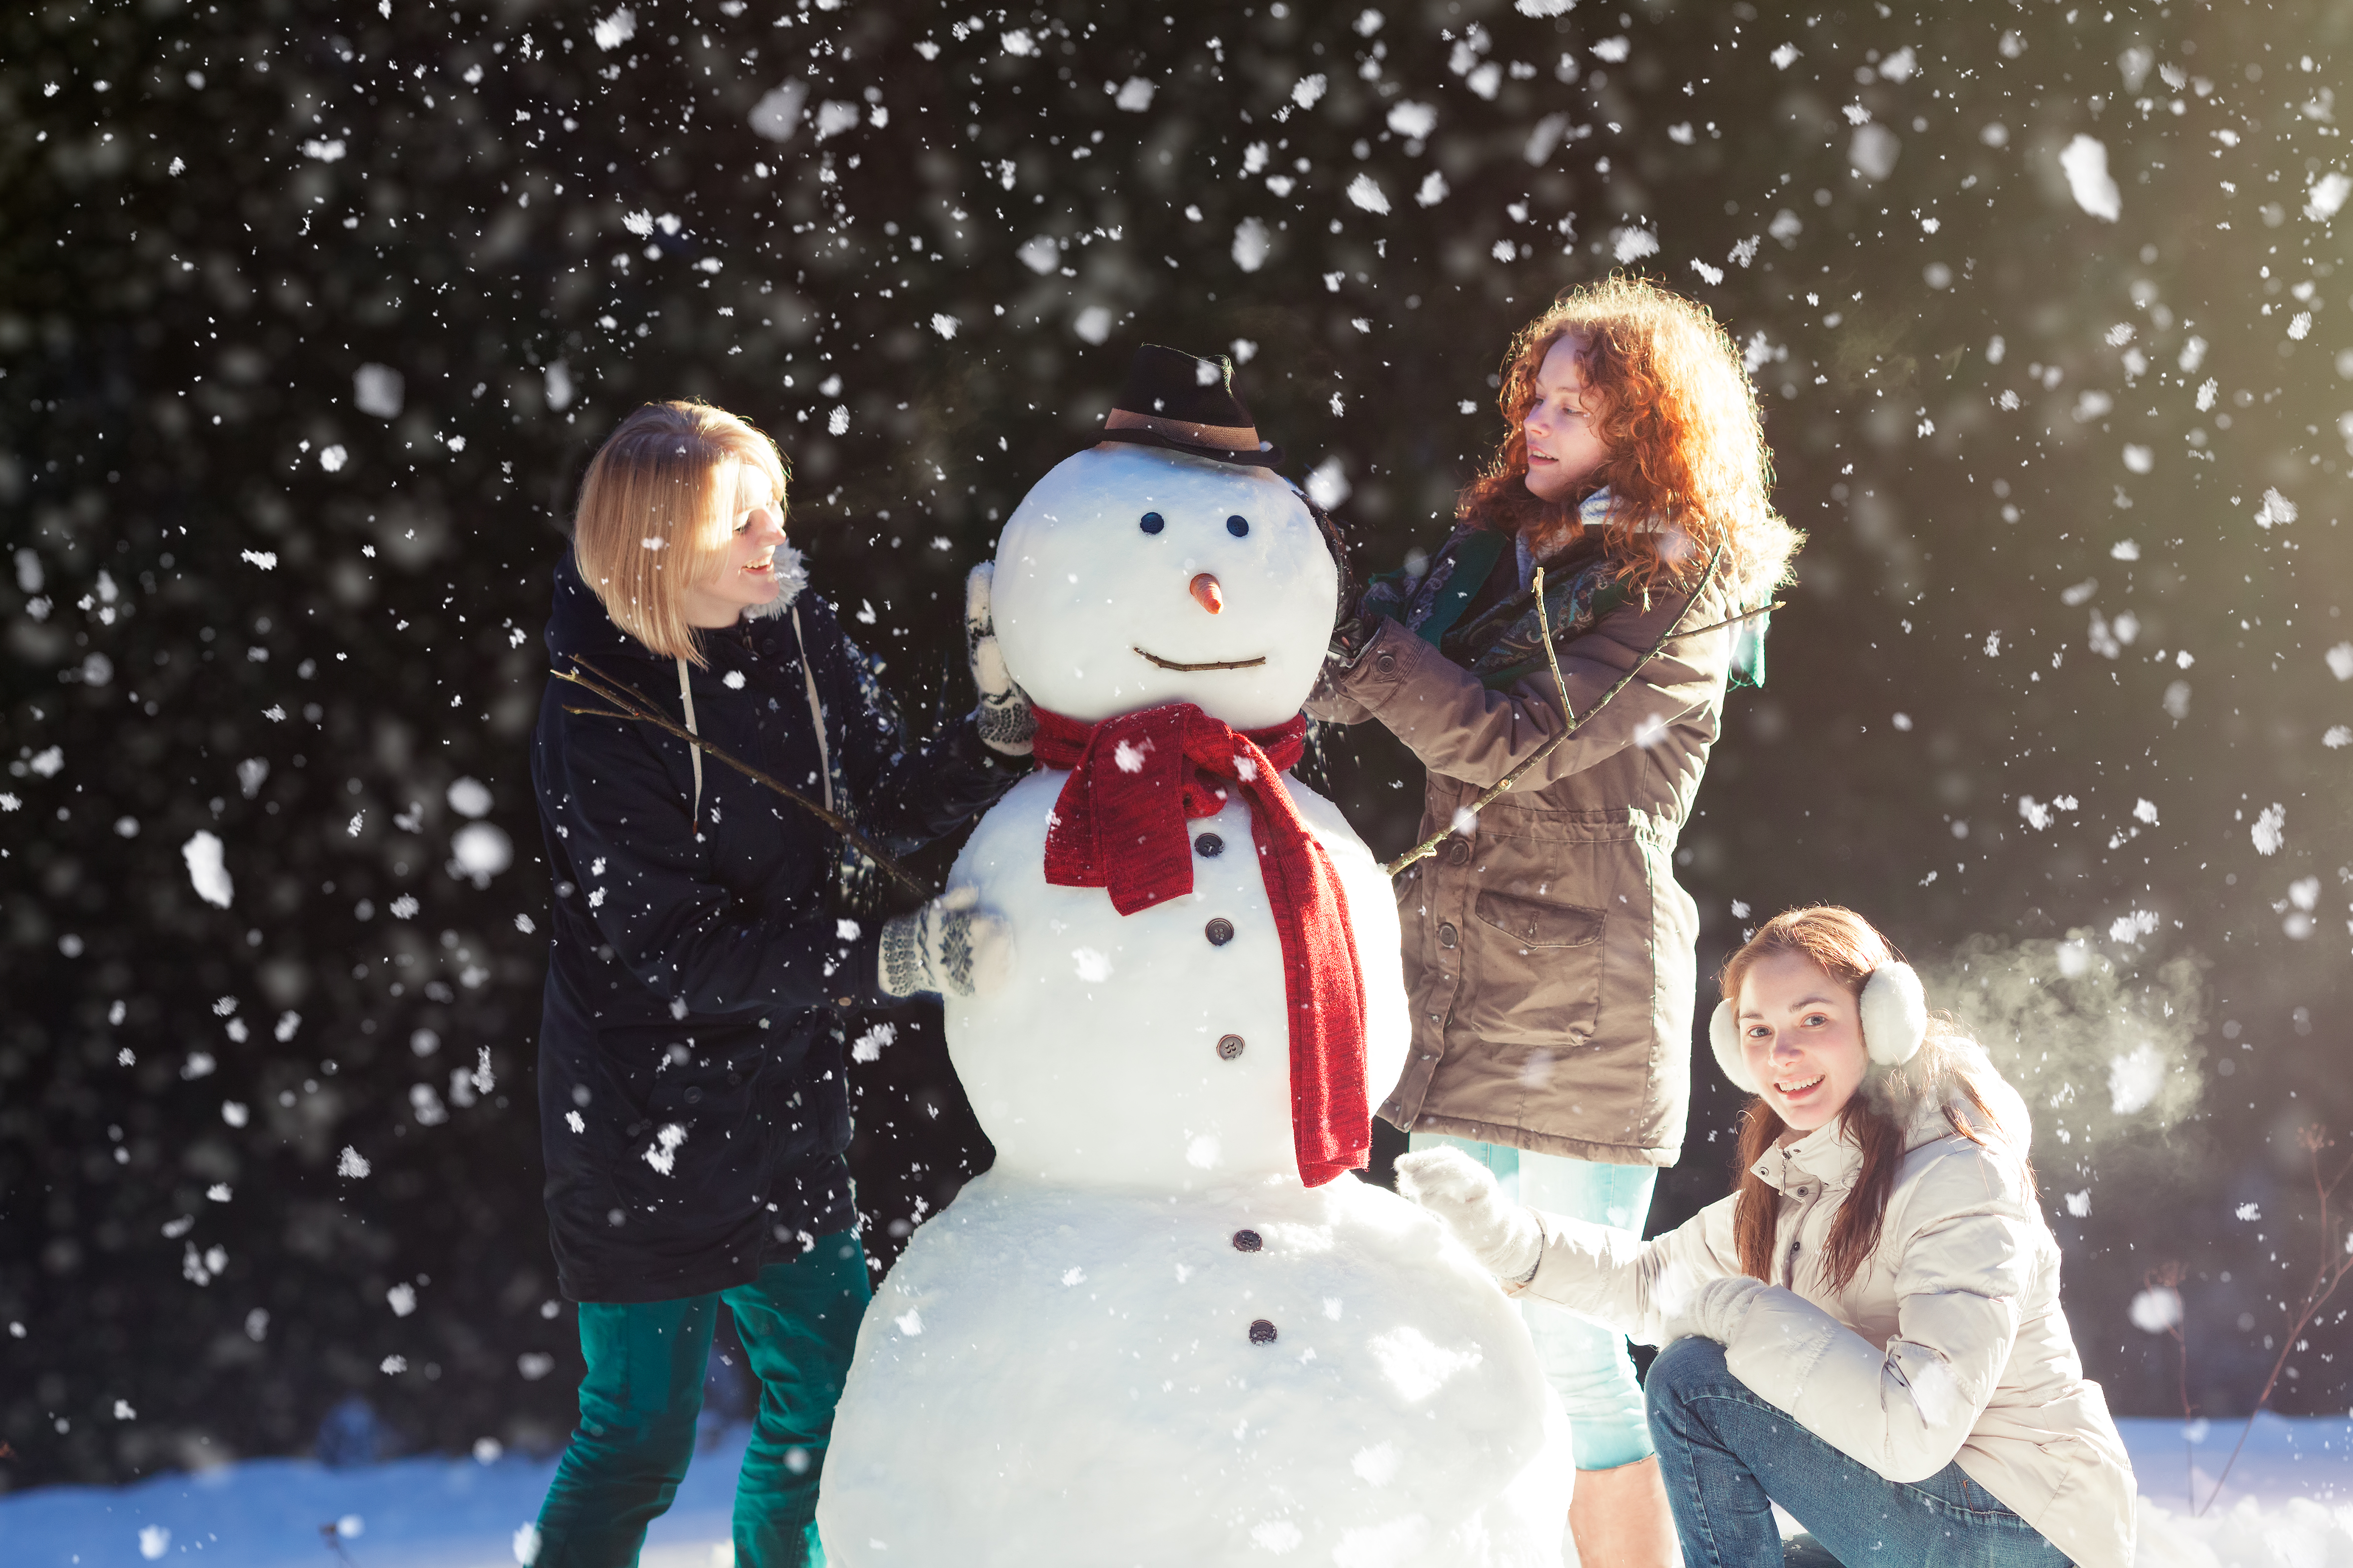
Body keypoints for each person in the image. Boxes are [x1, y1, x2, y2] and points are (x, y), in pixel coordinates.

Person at [1309, 275, 1799, 1564]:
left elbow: (1510, 737)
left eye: (1574, 404)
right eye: (1535, 391)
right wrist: (1269, 601)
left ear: (1643, 428)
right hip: (1462, 984)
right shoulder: (1498, 549)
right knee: (1459, 1336)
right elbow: (1363, 690)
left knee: (1574, 1350)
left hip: (1578, 999)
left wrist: (1356, 635)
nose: (1537, 420)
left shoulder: (1681, 588)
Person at [527, 400, 1028, 1568]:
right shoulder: (594, 714)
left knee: (834, 1410)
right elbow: (675, 954)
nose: (774, 540)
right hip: (634, 1125)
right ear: (654, 546)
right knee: (640, 1438)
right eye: (738, 521)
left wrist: (991, 737)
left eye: (773, 510)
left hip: (780, 1099)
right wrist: (889, 960)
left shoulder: (794, 629)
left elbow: (876, 806)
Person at [1395, 906, 2137, 1568]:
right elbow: (1648, 1281)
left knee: (1691, 1381)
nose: (1782, 1055)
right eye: (1758, 1031)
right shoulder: (1802, 1183)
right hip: (1951, 1519)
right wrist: (1500, 1232)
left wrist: (1741, 1312)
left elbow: (1915, 1429)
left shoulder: (1960, 1175)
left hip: (2026, 1532)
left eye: (1812, 1019)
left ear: (1882, 1023)